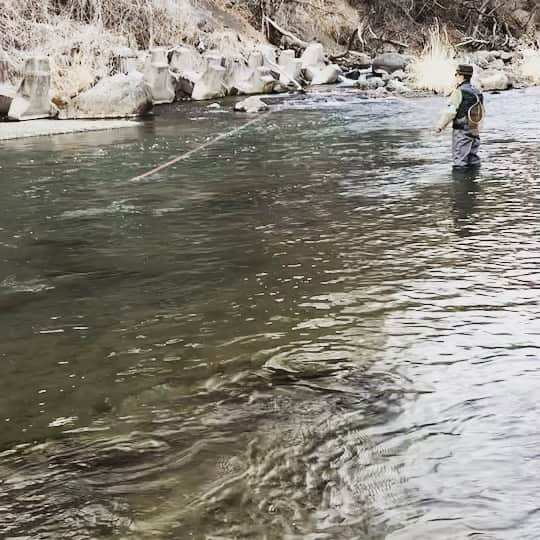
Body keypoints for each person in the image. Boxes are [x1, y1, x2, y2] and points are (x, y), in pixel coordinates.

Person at [436, 64, 484, 169]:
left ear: (461, 76)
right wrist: (477, 128)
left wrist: (440, 125)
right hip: (474, 130)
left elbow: (451, 111)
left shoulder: (459, 91)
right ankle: (473, 183)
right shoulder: (477, 91)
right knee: (473, 160)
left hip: (461, 131)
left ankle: (460, 184)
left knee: (460, 162)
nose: (456, 77)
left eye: (456, 74)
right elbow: (482, 112)